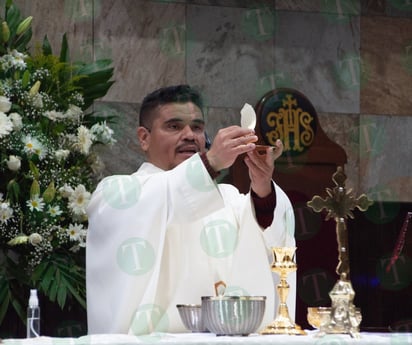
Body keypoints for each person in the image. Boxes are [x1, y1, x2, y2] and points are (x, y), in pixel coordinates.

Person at [86, 84, 296, 335]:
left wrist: (262, 187)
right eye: (174, 126)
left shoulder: (228, 199)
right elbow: (165, 195)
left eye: (197, 127)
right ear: (144, 137)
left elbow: (268, 229)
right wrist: (212, 162)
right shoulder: (115, 193)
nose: (190, 135)